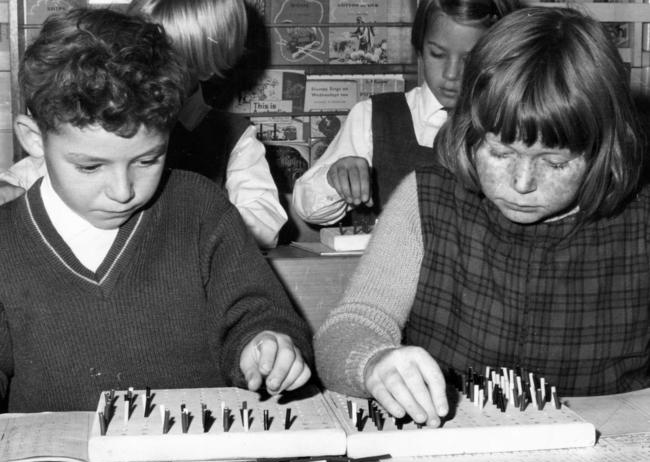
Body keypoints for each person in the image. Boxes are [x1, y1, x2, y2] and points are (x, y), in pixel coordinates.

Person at [314, 6, 649, 429]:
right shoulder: (426, 200)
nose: (522, 181)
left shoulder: (641, 222)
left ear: (603, 151)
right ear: (471, 131)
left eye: (555, 162)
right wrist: (373, 361)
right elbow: (350, 325)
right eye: (501, 153)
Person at [0, 8, 312, 413]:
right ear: (34, 139)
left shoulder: (200, 210)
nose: (123, 190)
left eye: (148, 160)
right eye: (90, 166)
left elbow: (257, 313)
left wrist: (268, 344)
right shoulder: (6, 240)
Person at [0, 0, 287, 249]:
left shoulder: (232, 136)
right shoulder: (103, 116)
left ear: (207, 65)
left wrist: (195, 225)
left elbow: (264, 222)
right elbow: (49, 166)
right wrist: (9, 186)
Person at [292, 0, 522, 225]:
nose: (452, 74)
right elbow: (307, 208)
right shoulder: (374, 116)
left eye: (469, 59)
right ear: (420, 48)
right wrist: (335, 178)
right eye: (437, 54)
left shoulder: (509, 122)